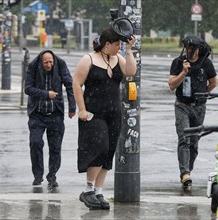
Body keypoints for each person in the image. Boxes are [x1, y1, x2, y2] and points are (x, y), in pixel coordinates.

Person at [73, 28, 137, 209]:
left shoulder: (118, 59)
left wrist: (129, 50)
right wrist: (82, 109)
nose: (119, 48)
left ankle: (99, 192)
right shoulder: (89, 59)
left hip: (113, 113)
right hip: (94, 113)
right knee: (99, 148)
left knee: (109, 152)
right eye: (117, 45)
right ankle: (88, 190)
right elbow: (76, 84)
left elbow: (131, 71)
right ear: (106, 44)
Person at [168, 35, 217, 193]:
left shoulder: (206, 63)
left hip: (199, 107)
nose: (190, 51)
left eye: (193, 48)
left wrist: (203, 93)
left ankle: (188, 170)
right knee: (184, 138)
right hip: (182, 105)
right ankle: (185, 173)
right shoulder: (178, 62)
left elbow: (213, 82)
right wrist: (183, 72)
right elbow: (171, 85)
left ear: (198, 49)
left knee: (194, 143)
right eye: (188, 48)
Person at [25, 50, 76, 188]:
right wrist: (46, 94)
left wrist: (72, 107)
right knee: (35, 143)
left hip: (55, 113)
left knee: (55, 147)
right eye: (46, 62)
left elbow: (70, 85)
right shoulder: (33, 66)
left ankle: (52, 176)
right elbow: (28, 89)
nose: (49, 65)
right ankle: (38, 175)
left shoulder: (60, 64)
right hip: (37, 113)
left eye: (51, 62)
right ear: (41, 62)